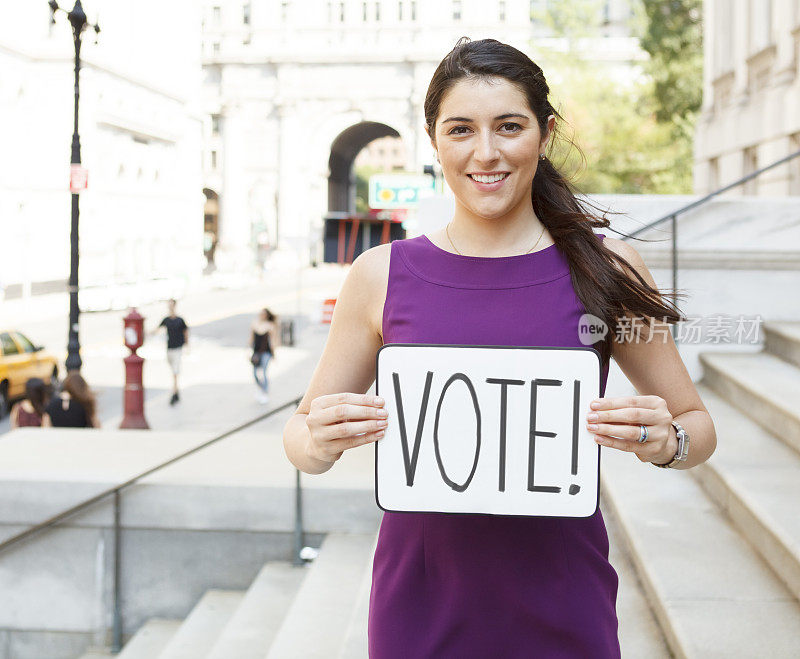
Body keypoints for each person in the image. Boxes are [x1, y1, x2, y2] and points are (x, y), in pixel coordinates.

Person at [282, 38, 717, 658]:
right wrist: (319, 440)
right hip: (420, 611)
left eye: (508, 127)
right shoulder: (379, 275)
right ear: (434, 141)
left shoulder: (610, 269)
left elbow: (698, 428)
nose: (485, 153)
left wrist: (663, 439)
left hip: (565, 605)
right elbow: (299, 439)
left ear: (544, 132)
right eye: (461, 130)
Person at [156, 298, 189, 405]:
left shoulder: (180, 320)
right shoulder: (166, 320)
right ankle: (176, 390)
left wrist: (187, 345)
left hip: (178, 348)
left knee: (175, 371)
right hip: (169, 348)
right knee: (173, 370)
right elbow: (157, 329)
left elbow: (186, 331)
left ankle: (174, 392)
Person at [250, 308, 277, 404]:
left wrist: (274, 354)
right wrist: (248, 350)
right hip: (256, 352)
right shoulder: (254, 323)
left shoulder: (270, 325)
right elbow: (251, 339)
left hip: (266, 352)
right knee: (255, 373)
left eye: (263, 314)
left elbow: (273, 341)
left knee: (264, 372)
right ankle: (260, 389)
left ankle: (265, 392)